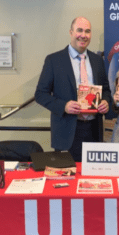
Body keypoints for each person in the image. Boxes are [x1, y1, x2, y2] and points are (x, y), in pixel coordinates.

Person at [35, 16, 111, 162]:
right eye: (79, 30)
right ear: (71, 32)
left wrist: (106, 101)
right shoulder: (54, 60)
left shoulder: (97, 61)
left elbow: (106, 90)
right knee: (67, 178)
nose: (83, 35)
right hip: (66, 132)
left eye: (87, 31)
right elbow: (40, 94)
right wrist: (64, 106)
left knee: (93, 179)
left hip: (94, 131)